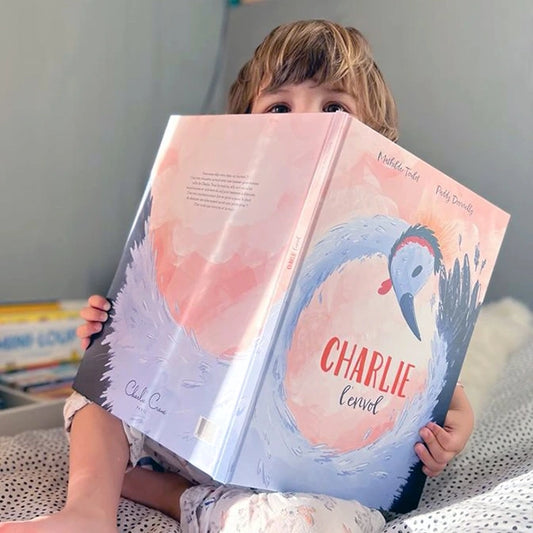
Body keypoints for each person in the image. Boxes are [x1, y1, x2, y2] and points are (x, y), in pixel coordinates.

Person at [0, 20, 474, 533]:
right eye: (279, 108)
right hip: (194, 432)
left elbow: (420, 373)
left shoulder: (386, 240)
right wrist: (113, 327)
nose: (305, 123)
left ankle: (171, 495)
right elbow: (163, 325)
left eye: (334, 107)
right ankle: (89, 511)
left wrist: (454, 422)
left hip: (295, 475)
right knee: (100, 388)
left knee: (319, 522)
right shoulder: (224, 223)